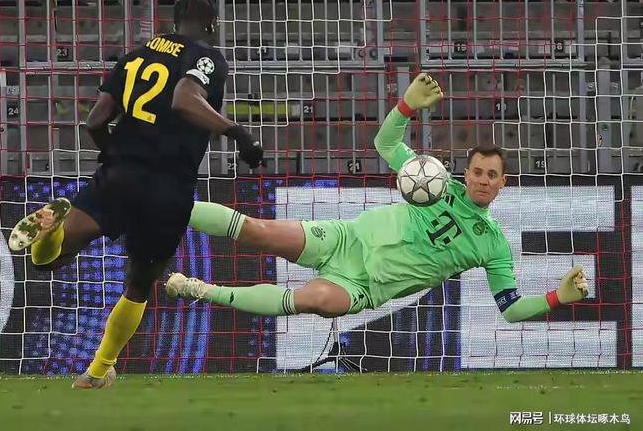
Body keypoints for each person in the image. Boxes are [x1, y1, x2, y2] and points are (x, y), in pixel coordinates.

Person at [166, 73, 589, 321]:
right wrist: (406, 106)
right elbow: (386, 144)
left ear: (502, 184)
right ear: (467, 172)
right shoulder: (434, 181)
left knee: (315, 300)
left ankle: (201, 290)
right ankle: (163, 207)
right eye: (477, 171)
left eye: (491, 175)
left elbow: (510, 309)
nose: (482, 180)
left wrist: (557, 297)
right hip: (346, 239)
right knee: (257, 231)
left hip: (362, 285)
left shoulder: (493, 244)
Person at [7, 0, 264, 388]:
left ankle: (50, 233)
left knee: (49, 260)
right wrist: (236, 132)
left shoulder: (134, 57)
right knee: (140, 283)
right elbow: (184, 99)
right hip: (167, 187)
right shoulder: (205, 56)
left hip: (119, 174)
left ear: (174, 22)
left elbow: (95, 121)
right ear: (212, 25)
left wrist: (117, 157)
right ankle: (97, 370)